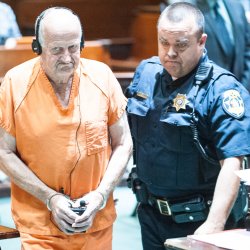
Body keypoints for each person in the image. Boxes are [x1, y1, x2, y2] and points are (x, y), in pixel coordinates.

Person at [0, 7, 132, 250]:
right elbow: (3, 152)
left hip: (96, 221)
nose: (67, 58)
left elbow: (124, 142)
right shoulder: (14, 83)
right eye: (57, 50)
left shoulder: (102, 76)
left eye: (73, 48)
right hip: (40, 227)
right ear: (37, 48)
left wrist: (100, 196)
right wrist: (50, 198)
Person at [126, 2, 250, 250]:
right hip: (150, 214)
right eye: (164, 43)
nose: (170, 53)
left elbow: (233, 161)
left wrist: (214, 224)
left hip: (199, 219)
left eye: (181, 45)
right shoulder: (147, 73)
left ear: (201, 41)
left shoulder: (222, 89)